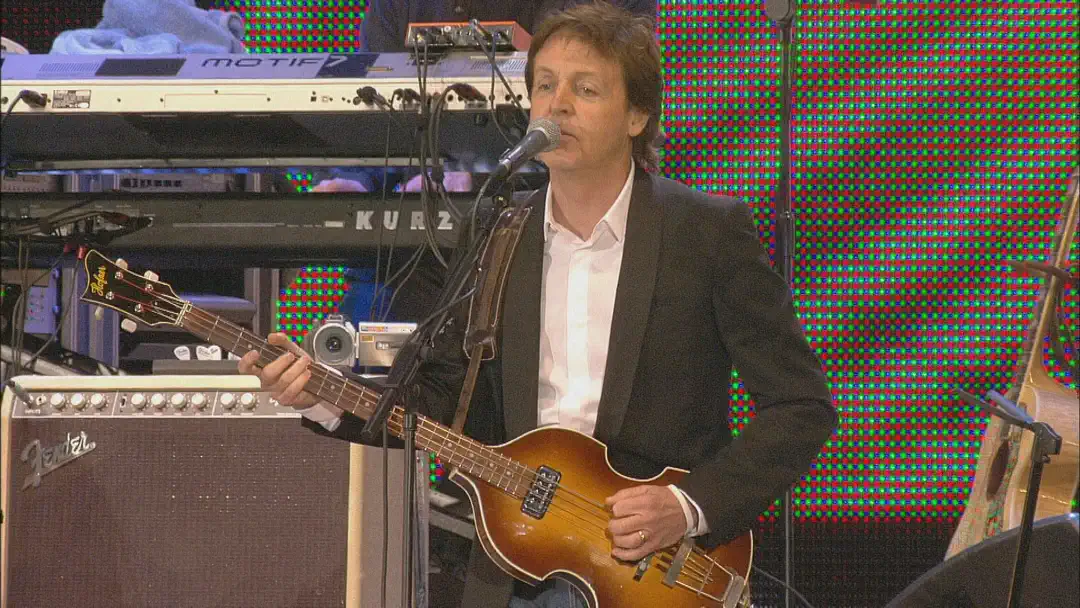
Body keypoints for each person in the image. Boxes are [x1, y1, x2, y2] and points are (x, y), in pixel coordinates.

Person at [240, 3, 838, 607]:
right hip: (516, 570)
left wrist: (688, 506)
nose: (558, 105)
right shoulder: (498, 230)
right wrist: (322, 395)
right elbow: (439, 402)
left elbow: (800, 406)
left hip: (656, 572)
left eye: (586, 89)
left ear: (637, 115)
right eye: (545, 86)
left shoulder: (706, 232)